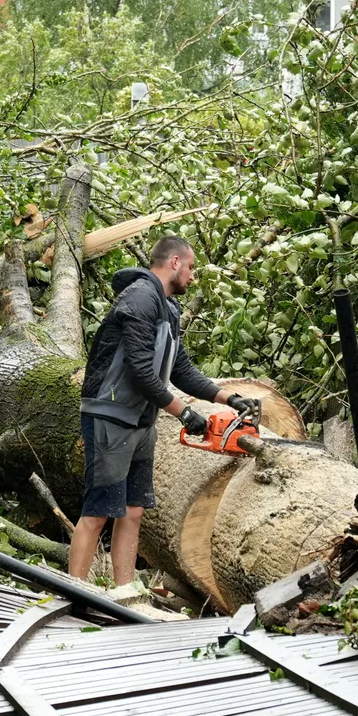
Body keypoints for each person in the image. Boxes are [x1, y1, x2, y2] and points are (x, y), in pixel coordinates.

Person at [72, 235, 259, 586]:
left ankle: (125, 591)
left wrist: (227, 398)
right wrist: (185, 414)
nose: (192, 276)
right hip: (110, 414)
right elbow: (141, 372)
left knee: (133, 510)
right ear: (174, 262)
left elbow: (181, 370)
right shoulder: (141, 298)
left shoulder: (168, 309)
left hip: (141, 419)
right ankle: (75, 594)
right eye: (190, 268)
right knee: (98, 512)